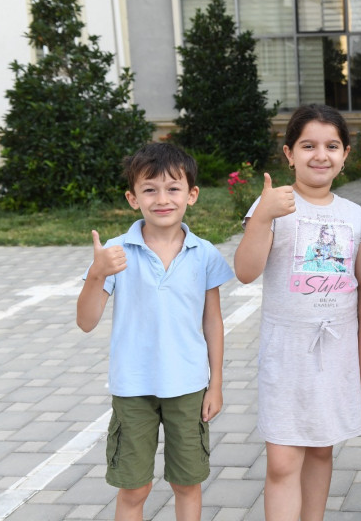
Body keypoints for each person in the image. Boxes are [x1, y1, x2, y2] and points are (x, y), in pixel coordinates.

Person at [234, 103, 361, 521]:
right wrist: (263, 216)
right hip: (286, 354)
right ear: (289, 154)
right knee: (283, 460)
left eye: (331, 146)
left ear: (345, 154)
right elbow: (245, 272)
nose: (320, 155)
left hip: (336, 354)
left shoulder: (353, 215)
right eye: (308, 146)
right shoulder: (272, 206)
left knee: (320, 449)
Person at [76, 142, 234, 521]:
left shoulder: (204, 253)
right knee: (134, 487)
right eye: (149, 189)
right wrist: (97, 274)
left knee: (187, 484)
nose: (162, 199)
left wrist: (215, 384)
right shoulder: (116, 251)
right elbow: (86, 321)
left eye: (173, 188)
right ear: (133, 198)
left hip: (189, 386)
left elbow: (212, 321)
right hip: (133, 387)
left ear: (192, 194)